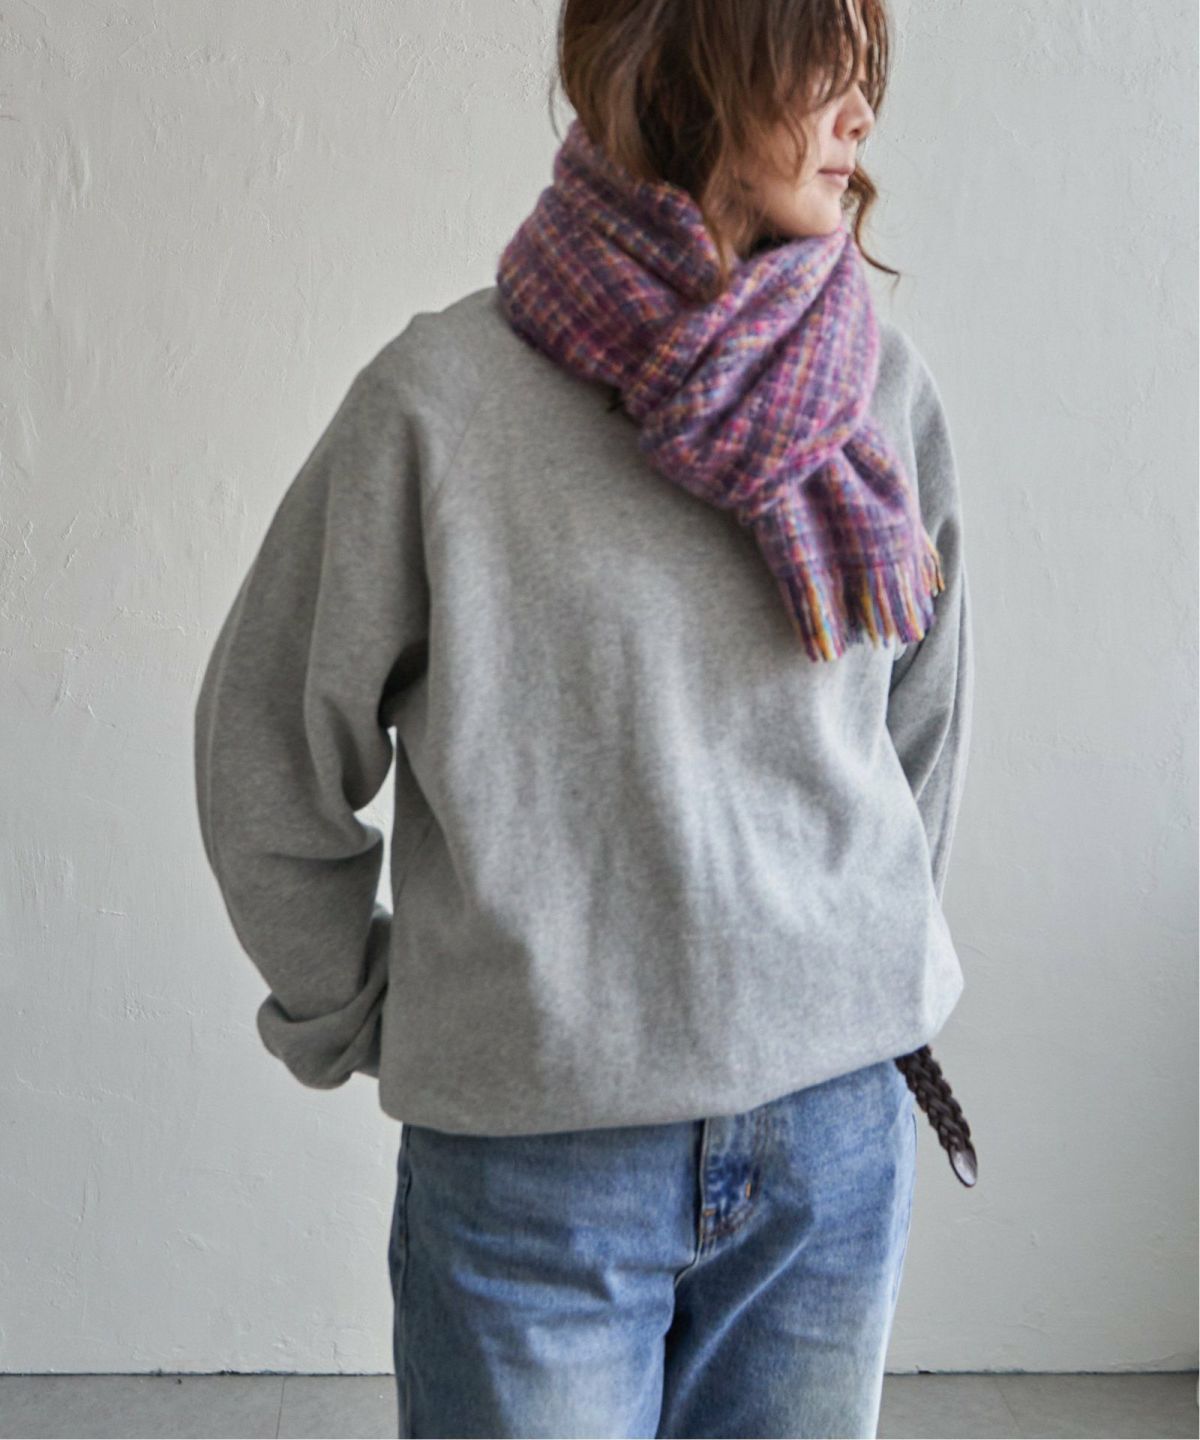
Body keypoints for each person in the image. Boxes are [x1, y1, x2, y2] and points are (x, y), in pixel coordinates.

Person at [192, 0, 977, 1434]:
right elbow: (267, 746)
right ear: (682, 64)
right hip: (537, 1172)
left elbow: (915, 731)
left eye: (868, 68)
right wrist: (355, 1006)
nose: (863, 111)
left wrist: (848, 965)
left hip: (830, 1150)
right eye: (821, 63)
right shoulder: (439, 405)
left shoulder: (877, 390)